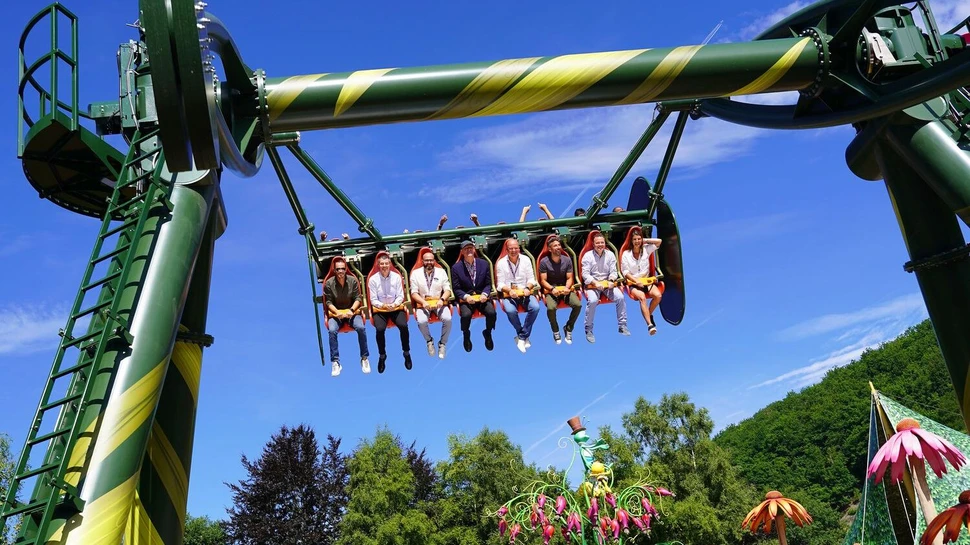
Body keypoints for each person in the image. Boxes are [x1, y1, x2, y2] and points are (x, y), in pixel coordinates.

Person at [323, 257, 370, 376]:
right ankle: (335, 362)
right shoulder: (329, 283)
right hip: (336, 314)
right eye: (338, 269)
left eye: (343, 269)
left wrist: (352, 310)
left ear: (346, 269)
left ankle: (364, 358)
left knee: (361, 328)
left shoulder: (352, 281)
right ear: (334, 270)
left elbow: (358, 298)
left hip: (351, 313)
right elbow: (328, 302)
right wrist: (336, 312)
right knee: (332, 330)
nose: (340, 272)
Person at [580, 232, 629, 342]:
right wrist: (595, 283)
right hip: (592, 285)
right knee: (592, 301)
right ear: (593, 244)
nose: (600, 245)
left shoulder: (610, 254)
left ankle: (622, 325)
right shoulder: (587, 256)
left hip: (607, 284)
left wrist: (611, 280)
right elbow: (585, 274)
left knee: (620, 297)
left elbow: (614, 271)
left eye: (602, 242)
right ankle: (588, 329)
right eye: (598, 243)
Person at [495, 238, 541, 353]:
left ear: (519, 248)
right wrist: (509, 290)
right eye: (511, 248)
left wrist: (527, 288)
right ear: (507, 250)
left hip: (525, 292)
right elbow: (500, 284)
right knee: (510, 311)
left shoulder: (526, 259)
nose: (514, 250)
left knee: (535, 308)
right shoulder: (501, 263)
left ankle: (521, 337)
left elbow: (532, 279)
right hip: (510, 294)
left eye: (516, 248)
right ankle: (522, 334)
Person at [368, 253, 412, 373]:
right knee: (380, 329)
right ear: (378, 265)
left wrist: (393, 305)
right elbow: (373, 299)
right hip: (380, 309)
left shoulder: (397, 277)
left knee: (403, 326)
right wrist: (382, 305)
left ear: (390, 264)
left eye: (386, 264)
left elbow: (400, 295)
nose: (384, 266)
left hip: (395, 307)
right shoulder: (373, 279)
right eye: (382, 264)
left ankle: (406, 352)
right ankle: (382, 355)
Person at [451, 240, 496, 352]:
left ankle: (488, 332)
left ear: (474, 249)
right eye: (466, 249)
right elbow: (456, 288)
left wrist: (485, 294)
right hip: (467, 299)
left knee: (491, 313)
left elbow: (488, 284)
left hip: (482, 298)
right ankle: (466, 334)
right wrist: (466, 297)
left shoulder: (484, 264)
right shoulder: (456, 268)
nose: (469, 250)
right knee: (465, 315)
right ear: (462, 252)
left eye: (471, 248)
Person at [538, 235, 582, 345]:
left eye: (559, 245)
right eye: (555, 246)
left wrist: (567, 288)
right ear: (550, 249)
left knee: (578, 305)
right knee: (551, 308)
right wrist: (552, 289)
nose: (558, 247)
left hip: (565, 288)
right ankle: (555, 330)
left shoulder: (567, 260)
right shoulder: (544, 262)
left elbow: (569, 277)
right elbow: (543, 280)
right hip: (551, 290)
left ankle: (568, 328)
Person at [410, 248, 452, 359]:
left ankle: (442, 343)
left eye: (431, 260)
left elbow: (448, 290)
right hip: (423, 303)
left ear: (434, 261)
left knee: (448, 319)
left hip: (438, 302)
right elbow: (413, 293)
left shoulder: (441, 272)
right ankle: (429, 341)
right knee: (422, 321)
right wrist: (423, 302)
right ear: (423, 261)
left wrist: (442, 300)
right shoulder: (415, 273)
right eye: (426, 260)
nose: (429, 262)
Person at [621, 227, 663, 335]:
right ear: (631, 240)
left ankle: (649, 314)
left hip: (646, 281)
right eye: (635, 239)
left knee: (658, 296)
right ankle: (650, 325)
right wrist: (635, 280)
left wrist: (646, 241)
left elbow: (659, 242)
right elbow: (625, 272)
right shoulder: (626, 254)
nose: (637, 242)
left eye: (639, 239)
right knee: (642, 297)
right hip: (634, 283)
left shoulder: (646, 249)